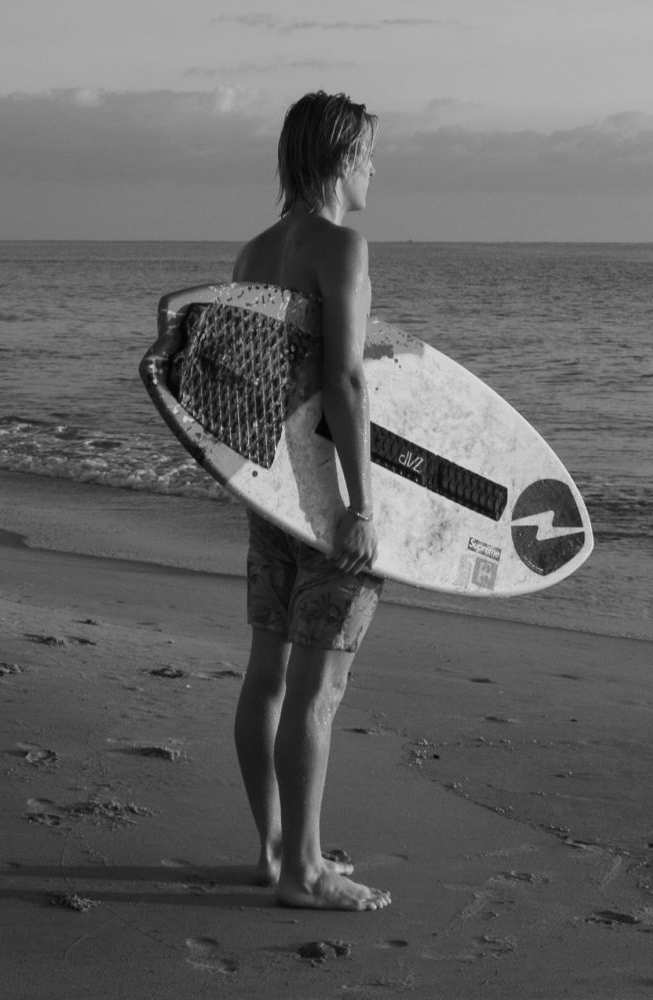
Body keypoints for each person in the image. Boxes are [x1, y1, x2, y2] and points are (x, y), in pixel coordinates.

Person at [230, 91, 390, 911]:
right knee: (318, 689)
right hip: (326, 501)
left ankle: (270, 851)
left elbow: (259, 385)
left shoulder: (253, 252)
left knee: (267, 673)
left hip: (270, 493)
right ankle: (308, 870)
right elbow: (344, 380)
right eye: (365, 152)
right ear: (336, 157)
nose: (374, 166)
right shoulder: (343, 246)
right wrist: (361, 505)